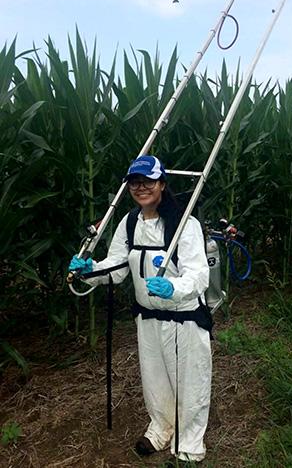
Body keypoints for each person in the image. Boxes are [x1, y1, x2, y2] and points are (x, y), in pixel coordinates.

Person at [69, 155, 212, 466]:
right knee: (154, 378)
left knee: (189, 381)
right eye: (135, 182)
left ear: (162, 183)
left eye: (149, 181)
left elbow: (200, 275)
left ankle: (188, 443)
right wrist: (89, 270)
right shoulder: (130, 222)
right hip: (147, 317)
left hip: (183, 318)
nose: (141, 187)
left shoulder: (184, 223)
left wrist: (173, 288)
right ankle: (160, 429)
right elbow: (117, 267)